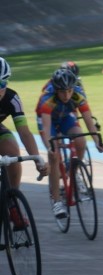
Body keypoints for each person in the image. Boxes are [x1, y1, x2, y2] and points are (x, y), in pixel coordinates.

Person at [36, 68, 103, 219]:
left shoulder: (78, 93)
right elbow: (47, 128)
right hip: (48, 120)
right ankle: (56, 201)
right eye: (62, 92)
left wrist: (97, 140)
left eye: (69, 91)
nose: (66, 95)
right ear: (56, 90)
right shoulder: (47, 98)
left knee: (81, 140)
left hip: (66, 117)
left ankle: (72, 173)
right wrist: (50, 145)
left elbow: (87, 118)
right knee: (54, 155)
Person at [0, 58, 47, 203]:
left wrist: (37, 159)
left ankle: (12, 200)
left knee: (12, 152)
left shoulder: (12, 99)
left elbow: (24, 132)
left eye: (2, 84)